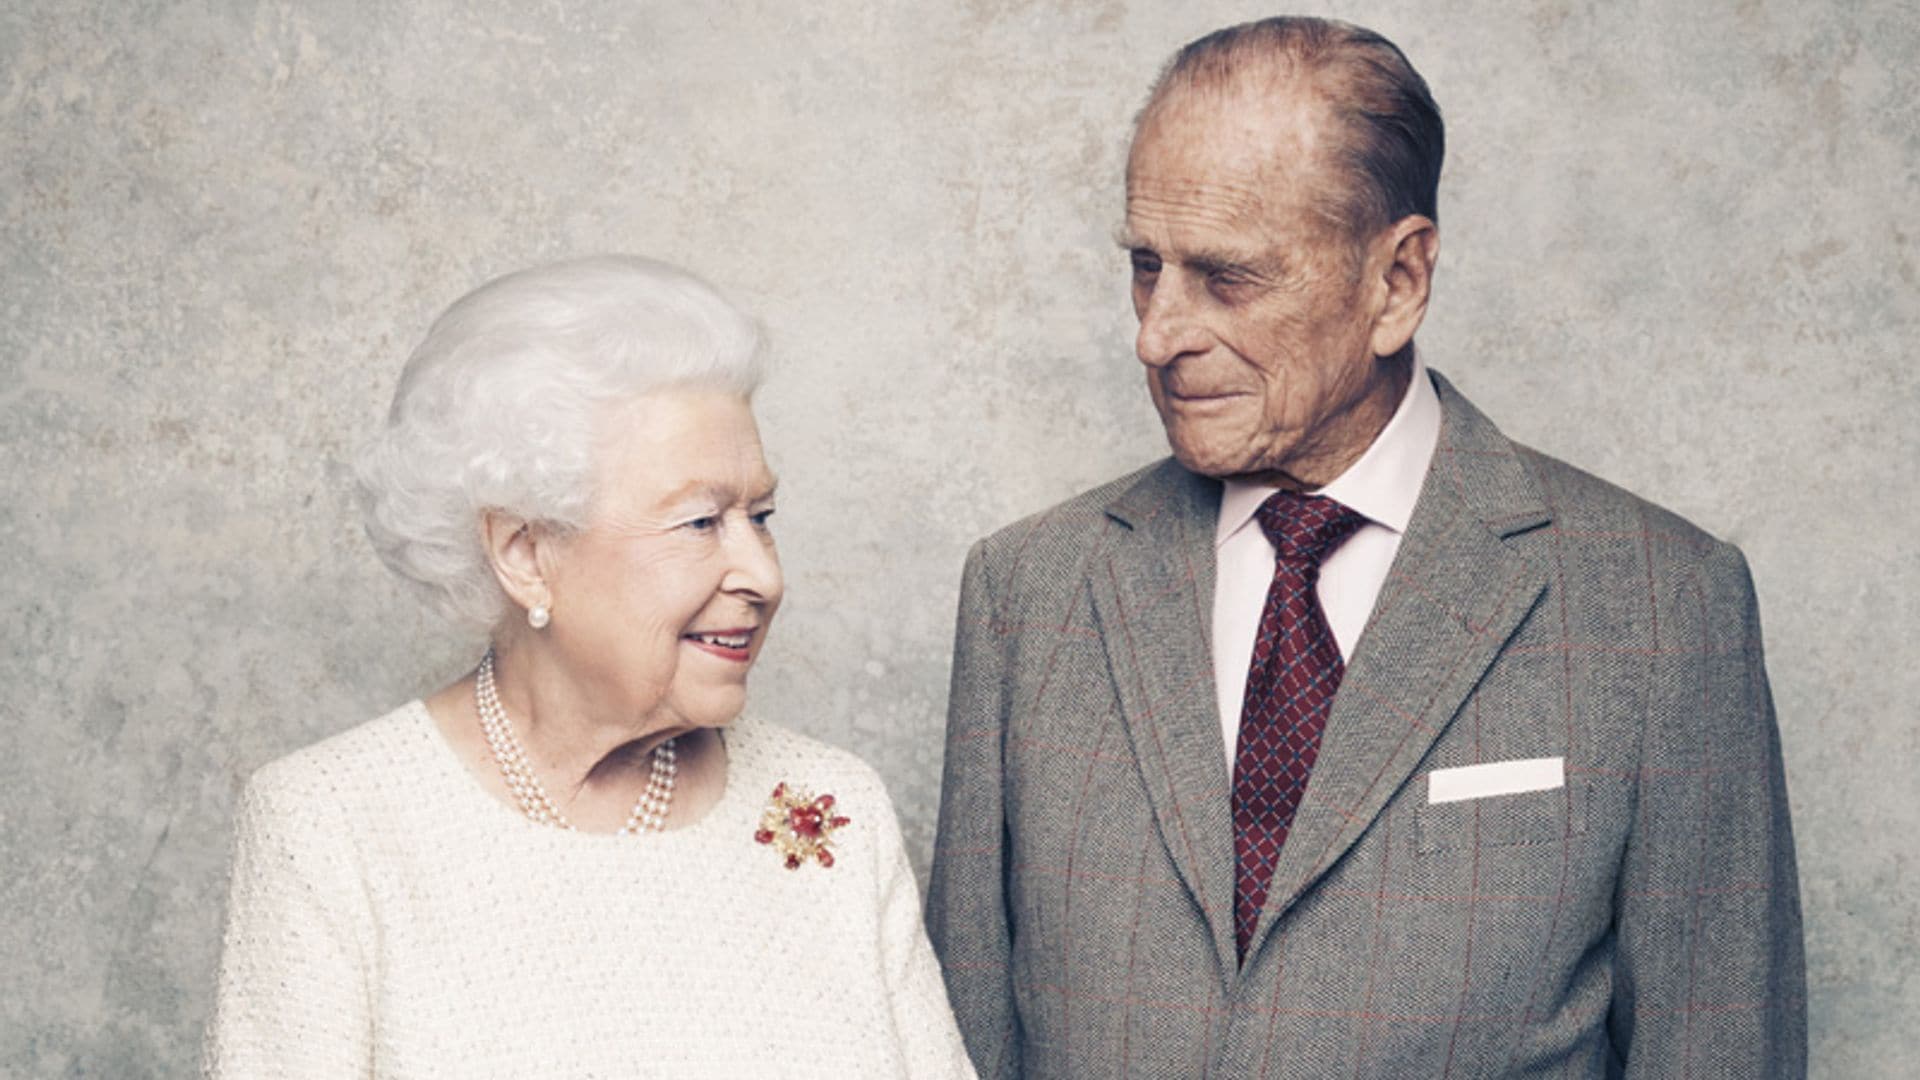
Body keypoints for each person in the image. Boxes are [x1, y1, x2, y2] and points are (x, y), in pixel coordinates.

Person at [926, 16, 1805, 1078]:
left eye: (1229, 277)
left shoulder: (1664, 609)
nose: (1157, 334)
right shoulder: (1026, 594)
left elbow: (1719, 1050)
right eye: (1146, 267)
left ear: (1398, 281)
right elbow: (958, 1047)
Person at [205, 256, 975, 1078]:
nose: (763, 576)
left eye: (762, 516)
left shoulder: (833, 806)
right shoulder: (332, 826)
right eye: (701, 522)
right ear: (526, 552)